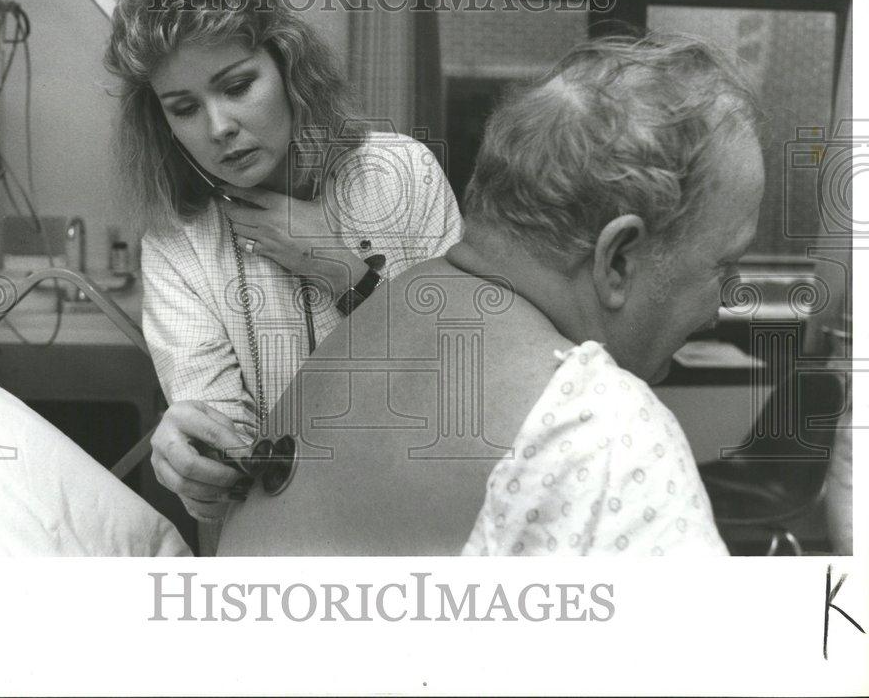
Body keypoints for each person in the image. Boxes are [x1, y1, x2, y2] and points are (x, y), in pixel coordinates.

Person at [218, 33, 764, 556]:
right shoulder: (600, 434)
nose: (726, 302)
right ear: (617, 259)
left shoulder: (390, 306)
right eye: (724, 264)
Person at [102, 0, 462, 547]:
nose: (218, 127)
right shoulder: (177, 241)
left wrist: (343, 272)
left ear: (288, 66)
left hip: (421, 531)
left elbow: (464, 384)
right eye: (184, 107)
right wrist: (197, 467)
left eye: (238, 85)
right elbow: (216, 429)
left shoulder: (405, 176)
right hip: (276, 549)